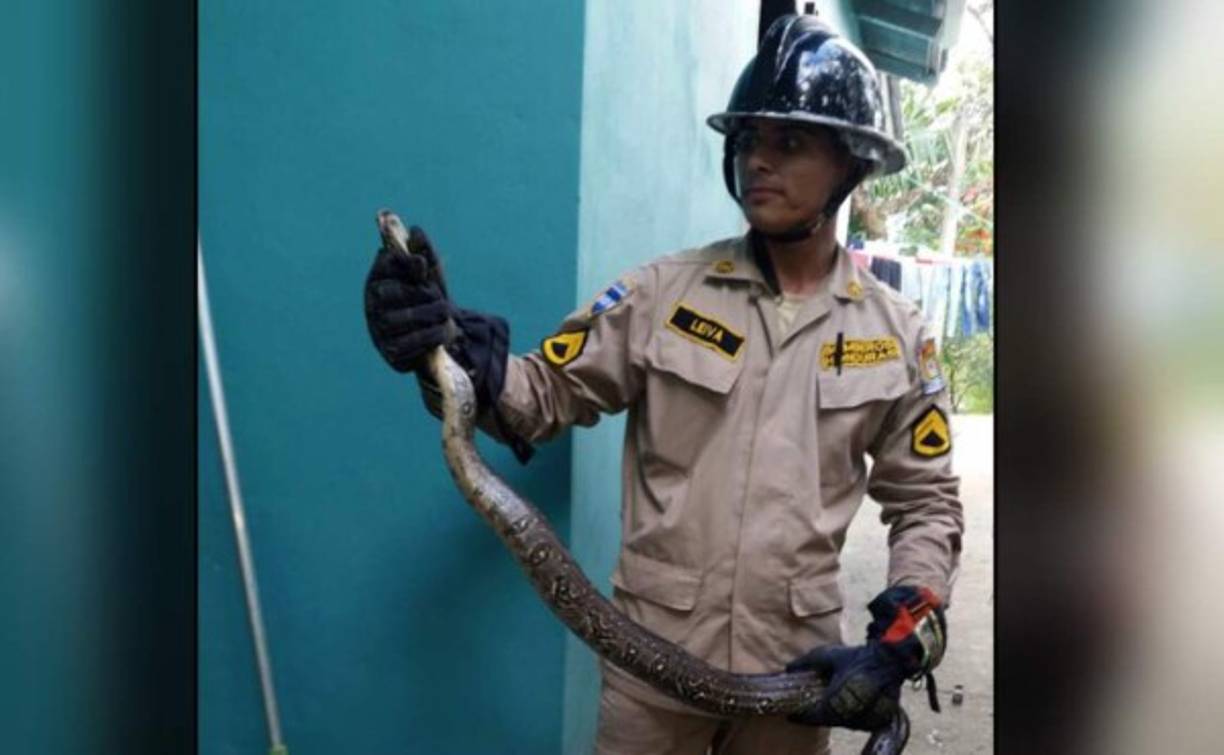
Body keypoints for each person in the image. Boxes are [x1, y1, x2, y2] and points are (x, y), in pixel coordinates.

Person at [363, 14, 963, 755]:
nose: (758, 162)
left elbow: (928, 503)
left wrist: (903, 634)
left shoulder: (897, 334)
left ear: (851, 166)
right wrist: (447, 349)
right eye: (748, 140)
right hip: (651, 663)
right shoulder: (661, 294)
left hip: (796, 675)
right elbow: (537, 398)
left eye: (790, 143)